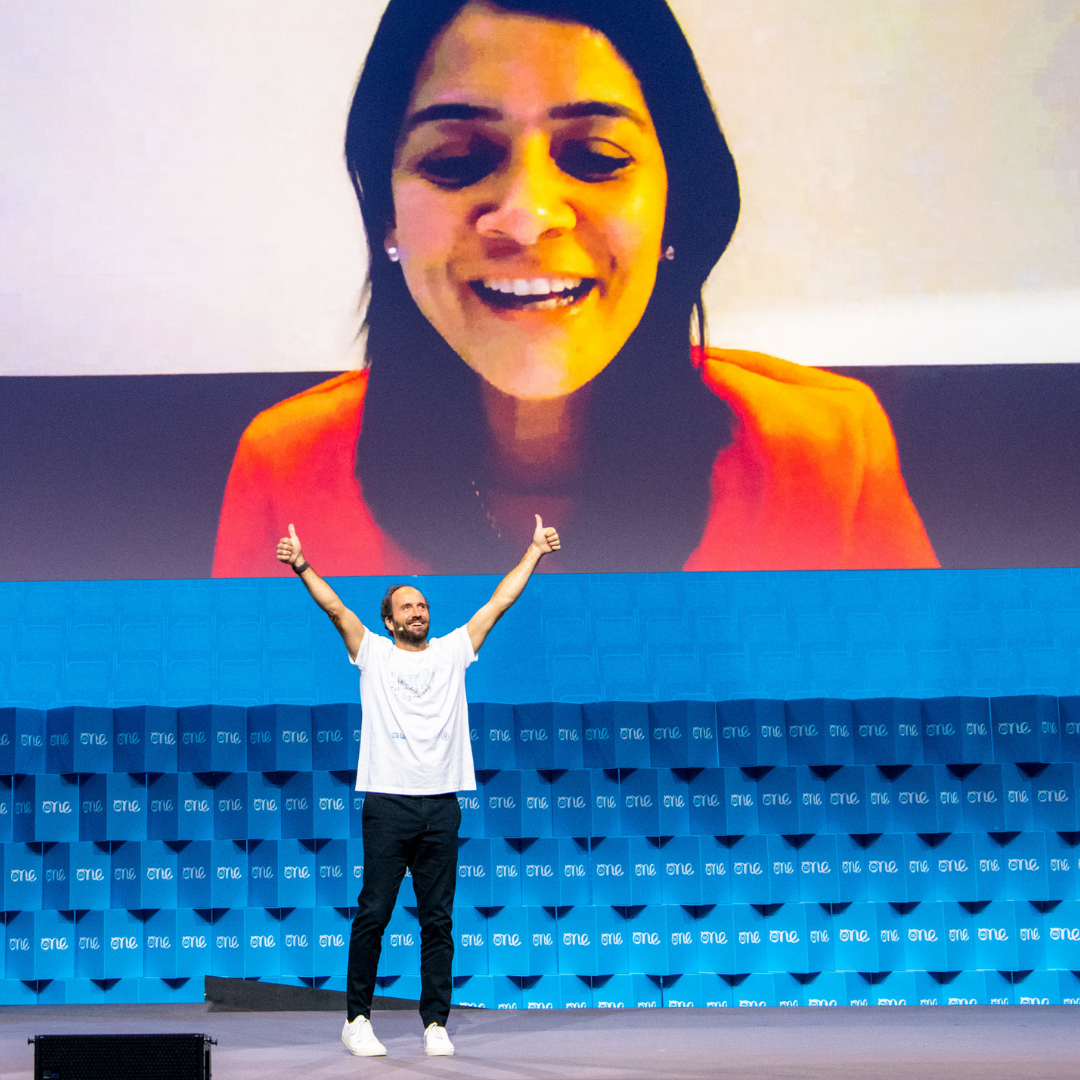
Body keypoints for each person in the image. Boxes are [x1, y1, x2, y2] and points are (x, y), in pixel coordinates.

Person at [214, 0, 938, 578]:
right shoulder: (286, 469)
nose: (528, 218)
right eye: (460, 159)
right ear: (386, 217)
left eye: (593, 156)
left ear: (673, 206)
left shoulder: (825, 457)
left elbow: (913, 751)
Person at [276, 512, 560, 1056]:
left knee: (438, 921)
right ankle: (357, 1018)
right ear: (388, 621)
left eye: (423, 605)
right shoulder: (373, 655)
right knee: (374, 913)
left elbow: (499, 602)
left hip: (442, 808)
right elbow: (334, 608)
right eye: (407, 606)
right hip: (387, 805)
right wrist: (302, 564)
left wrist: (533, 553)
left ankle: (435, 1024)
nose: (418, 611)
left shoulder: (454, 651)